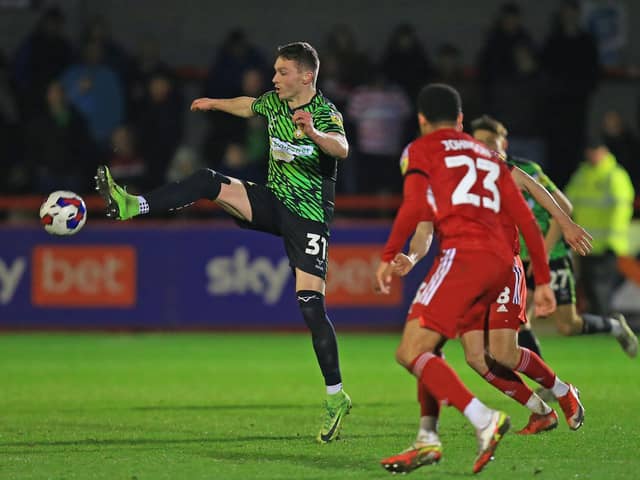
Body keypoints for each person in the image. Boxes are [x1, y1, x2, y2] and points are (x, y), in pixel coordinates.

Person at [95, 42, 352, 443]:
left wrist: (313, 132)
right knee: (206, 180)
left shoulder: (324, 112)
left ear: (306, 76)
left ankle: (336, 397)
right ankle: (132, 204)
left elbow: (343, 148)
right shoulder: (272, 102)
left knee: (310, 307)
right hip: (273, 202)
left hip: (309, 219)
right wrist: (214, 103)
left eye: (282, 72)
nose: (274, 78)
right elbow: (248, 104)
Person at [373, 83, 572, 475]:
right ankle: (427, 438)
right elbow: (528, 219)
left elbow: (415, 206)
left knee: (409, 351)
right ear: (461, 120)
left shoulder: (420, 151)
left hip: (463, 257)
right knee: (438, 349)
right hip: (502, 263)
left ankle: (484, 419)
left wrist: (388, 254)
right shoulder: (488, 155)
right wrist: (544, 280)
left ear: (421, 120)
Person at [472, 117, 638, 358]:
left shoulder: (526, 171)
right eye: (479, 143)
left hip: (552, 252)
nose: (485, 148)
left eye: (490, 141)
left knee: (567, 325)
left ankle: (615, 327)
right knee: (519, 319)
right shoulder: (477, 177)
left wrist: (545, 253)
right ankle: (547, 380)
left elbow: (564, 206)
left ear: (504, 144)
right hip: (520, 258)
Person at [565, 139, 637, 320]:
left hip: (607, 244)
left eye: (596, 151)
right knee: (590, 287)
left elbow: (621, 209)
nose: (592, 155)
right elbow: (566, 202)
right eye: (590, 151)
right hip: (586, 243)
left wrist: (611, 239)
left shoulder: (615, 175)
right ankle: (600, 324)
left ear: (605, 152)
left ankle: (605, 325)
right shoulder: (582, 174)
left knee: (601, 288)